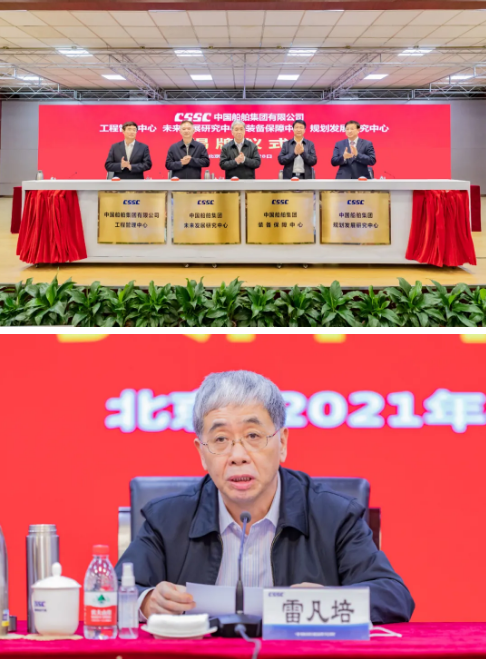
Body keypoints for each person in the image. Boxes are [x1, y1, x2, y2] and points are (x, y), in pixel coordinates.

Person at [116, 370, 415, 626]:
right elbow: (109, 592)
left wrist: (328, 601)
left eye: (253, 436)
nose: (238, 455)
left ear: (282, 442)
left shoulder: (334, 515)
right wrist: (146, 602)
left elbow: (394, 597)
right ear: (202, 453)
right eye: (220, 439)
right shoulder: (167, 519)